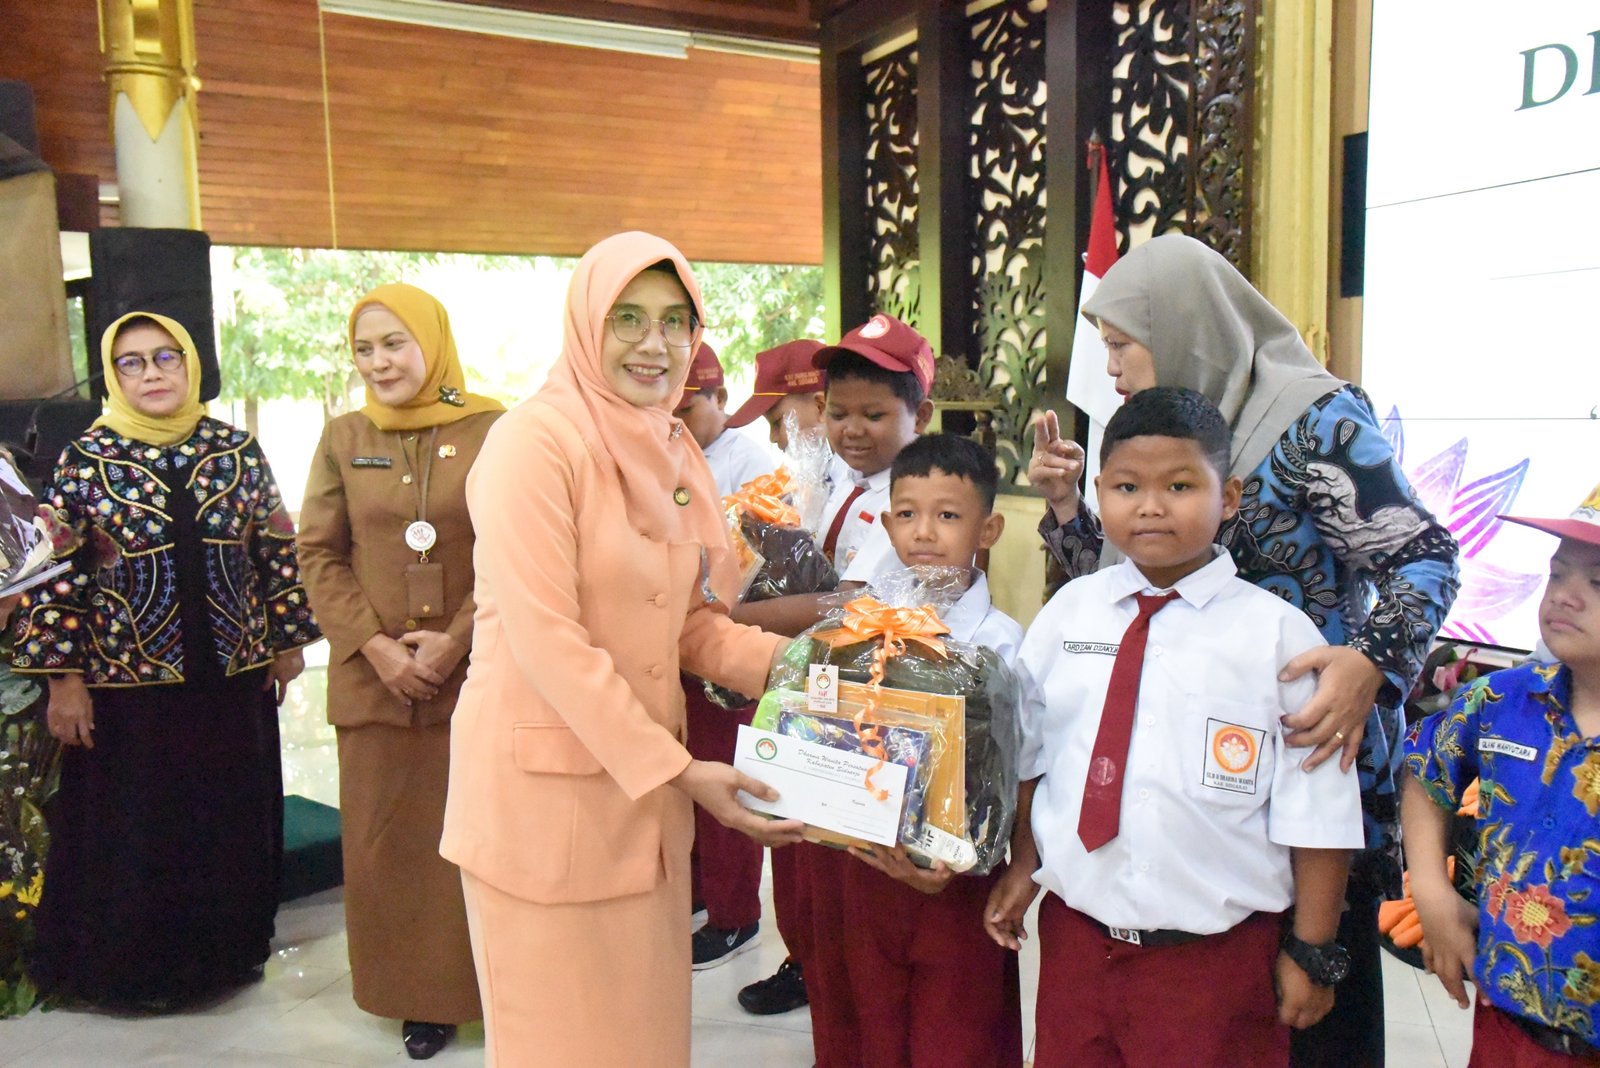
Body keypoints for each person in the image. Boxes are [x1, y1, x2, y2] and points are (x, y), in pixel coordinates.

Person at [1031, 234, 1460, 1066]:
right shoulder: (1169, 436)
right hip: (1192, 769)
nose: (1110, 368)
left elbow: (1426, 556)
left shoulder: (1315, 419)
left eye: (1121, 344)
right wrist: (1067, 511)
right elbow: (1136, 598)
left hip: (1305, 741)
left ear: (1183, 326)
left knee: (1312, 1004)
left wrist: (1368, 663)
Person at [438, 231, 804, 1067]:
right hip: (545, 812)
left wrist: (810, 667)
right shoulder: (533, 444)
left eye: (676, 321)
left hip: (642, 810)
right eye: (628, 318)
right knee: (561, 1046)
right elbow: (547, 638)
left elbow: (688, 623)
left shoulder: (668, 448)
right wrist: (683, 771)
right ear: (586, 324)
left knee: (643, 1042)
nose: (655, 343)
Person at [990, 386, 1365, 1066]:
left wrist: (1313, 949)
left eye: (1181, 485)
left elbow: (1318, 807)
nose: (1151, 505)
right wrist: (1024, 864)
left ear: (1230, 497)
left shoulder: (1278, 638)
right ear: (1099, 492)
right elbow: (1032, 757)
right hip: (1077, 943)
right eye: (1128, 486)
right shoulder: (1068, 615)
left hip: (1216, 962)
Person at [10, 311, 320, 1009]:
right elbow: (55, 576)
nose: (151, 373)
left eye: (164, 358)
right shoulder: (86, 460)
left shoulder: (235, 451)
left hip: (232, 681)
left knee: (226, 822)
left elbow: (274, 547)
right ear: (113, 375)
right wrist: (65, 681)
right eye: (132, 362)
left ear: (189, 365)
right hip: (129, 691)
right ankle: (138, 974)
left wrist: (287, 641)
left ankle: (225, 958)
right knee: (143, 831)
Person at [296, 284, 503, 1059]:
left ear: (432, 342)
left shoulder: (495, 430)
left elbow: (517, 547)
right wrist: (376, 648)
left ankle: (494, 989)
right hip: (373, 684)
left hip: (478, 675)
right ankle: (419, 1000)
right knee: (390, 849)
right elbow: (317, 552)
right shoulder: (343, 436)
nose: (379, 362)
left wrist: (455, 639)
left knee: (478, 842)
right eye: (364, 348)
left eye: (394, 343)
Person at [728, 313, 933, 1035]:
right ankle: (810, 969)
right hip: (802, 689)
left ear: (919, 416)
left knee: (854, 870)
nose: (853, 430)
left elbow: (854, 604)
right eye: (839, 412)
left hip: (869, 708)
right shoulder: (820, 477)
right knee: (800, 856)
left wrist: (730, 620)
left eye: (875, 415)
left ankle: (852, 1004)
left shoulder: (917, 498)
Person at [829, 432, 1023, 1067]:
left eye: (948, 516)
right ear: (887, 526)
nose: (924, 533)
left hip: (957, 877)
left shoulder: (1001, 644)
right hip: (868, 860)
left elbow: (1021, 769)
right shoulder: (863, 630)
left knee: (957, 1034)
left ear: (988, 529)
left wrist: (995, 864)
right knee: (875, 1024)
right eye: (908, 514)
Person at [1402, 482, 1600, 1064]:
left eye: (1598, 582)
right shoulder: (1499, 700)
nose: (1564, 596)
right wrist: (1432, 893)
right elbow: (1425, 772)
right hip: (1507, 1028)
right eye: (1557, 574)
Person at [675, 341, 781, 968]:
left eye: (689, 408)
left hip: (726, 643)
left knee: (725, 783)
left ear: (720, 397)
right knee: (683, 778)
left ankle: (734, 916)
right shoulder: (656, 450)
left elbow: (761, 565)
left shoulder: (752, 462)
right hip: (672, 642)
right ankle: (695, 895)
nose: (678, 421)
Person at [674, 341, 775, 496]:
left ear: (720, 398)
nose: (674, 420)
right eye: (666, 411)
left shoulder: (749, 462)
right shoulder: (661, 454)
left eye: (685, 410)